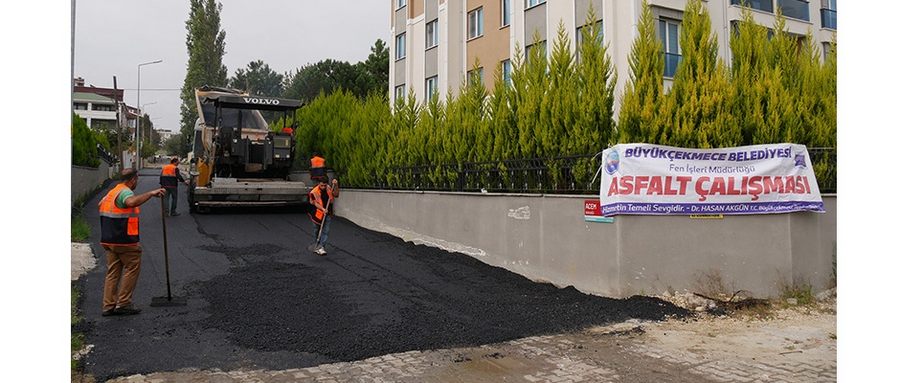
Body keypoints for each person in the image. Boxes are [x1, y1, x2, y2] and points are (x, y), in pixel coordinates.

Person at [99, 168, 166, 316]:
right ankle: (123, 303)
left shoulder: (112, 192)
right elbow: (130, 202)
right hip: (124, 240)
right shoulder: (126, 192)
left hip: (108, 240)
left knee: (113, 272)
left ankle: (108, 305)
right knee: (131, 268)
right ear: (133, 179)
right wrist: (150, 193)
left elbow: (100, 205)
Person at [308, 176, 339, 255]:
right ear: (319, 184)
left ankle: (321, 247)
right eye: (322, 185)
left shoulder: (329, 188)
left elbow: (336, 194)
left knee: (326, 230)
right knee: (317, 230)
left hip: (327, 213)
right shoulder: (314, 192)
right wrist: (322, 209)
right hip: (317, 213)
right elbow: (314, 203)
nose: (323, 187)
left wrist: (336, 185)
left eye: (325, 185)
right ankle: (316, 245)